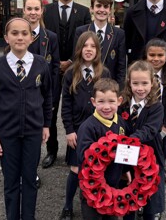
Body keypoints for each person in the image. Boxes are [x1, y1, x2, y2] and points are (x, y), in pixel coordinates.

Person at [0, 18, 52, 220]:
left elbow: (47, 97)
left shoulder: (41, 64)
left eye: (24, 33)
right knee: (11, 181)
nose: (20, 37)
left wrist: (46, 124)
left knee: (30, 180)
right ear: (6, 38)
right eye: (14, 33)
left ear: (32, 38)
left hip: (32, 132)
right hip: (7, 133)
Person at [42, 0, 92, 169]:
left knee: (79, 110)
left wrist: (71, 61)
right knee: (51, 111)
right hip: (52, 69)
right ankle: (52, 151)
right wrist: (57, 62)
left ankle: (80, 148)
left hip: (76, 68)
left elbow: (86, 38)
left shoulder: (84, 11)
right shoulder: (47, 11)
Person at [60, 31, 111, 219]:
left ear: (98, 50)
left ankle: (96, 203)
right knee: (76, 169)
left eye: (92, 46)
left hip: (99, 130)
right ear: (79, 49)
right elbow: (65, 105)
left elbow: (109, 103)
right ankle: (67, 206)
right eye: (85, 46)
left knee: (97, 168)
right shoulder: (70, 73)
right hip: (78, 131)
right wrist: (69, 131)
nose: (88, 50)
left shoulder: (104, 73)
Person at [23, 0, 60, 187]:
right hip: (22, 93)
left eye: (36, 9)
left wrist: (52, 96)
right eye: (29, 9)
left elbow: (55, 69)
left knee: (47, 126)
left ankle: (50, 152)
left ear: (42, 11)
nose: (33, 13)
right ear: (24, 11)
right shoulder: (18, 34)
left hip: (43, 93)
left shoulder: (51, 37)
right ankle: (28, 170)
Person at [76, 78, 127, 220]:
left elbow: (126, 149)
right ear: (93, 102)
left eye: (111, 101)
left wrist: (126, 171)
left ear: (119, 100)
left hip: (113, 186)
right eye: (101, 101)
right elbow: (84, 157)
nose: (106, 107)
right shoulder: (88, 127)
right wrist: (108, 151)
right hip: (92, 189)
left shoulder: (121, 123)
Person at [120, 60, 164, 220]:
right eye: (135, 83)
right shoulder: (123, 104)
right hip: (127, 156)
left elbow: (150, 130)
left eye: (144, 83)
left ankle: (150, 214)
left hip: (150, 155)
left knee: (150, 193)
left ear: (152, 83)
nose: (140, 88)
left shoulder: (156, 107)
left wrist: (130, 140)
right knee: (129, 191)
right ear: (129, 83)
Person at [143, 38, 166, 186]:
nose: (156, 59)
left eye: (160, 55)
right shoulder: (140, 76)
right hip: (145, 122)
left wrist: (165, 127)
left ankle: (160, 169)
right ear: (146, 56)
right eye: (152, 55)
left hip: (163, 124)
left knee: (161, 149)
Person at [74, 0, 126, 89]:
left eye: (106, 7)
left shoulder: (119, 34)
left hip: (109, 87)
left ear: (110, 10)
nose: (102, 10)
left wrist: (120, 90)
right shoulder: (81, 31)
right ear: (91, 9)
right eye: (98, 6)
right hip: (85, 85)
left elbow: (121, 67)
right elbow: (77, 60)